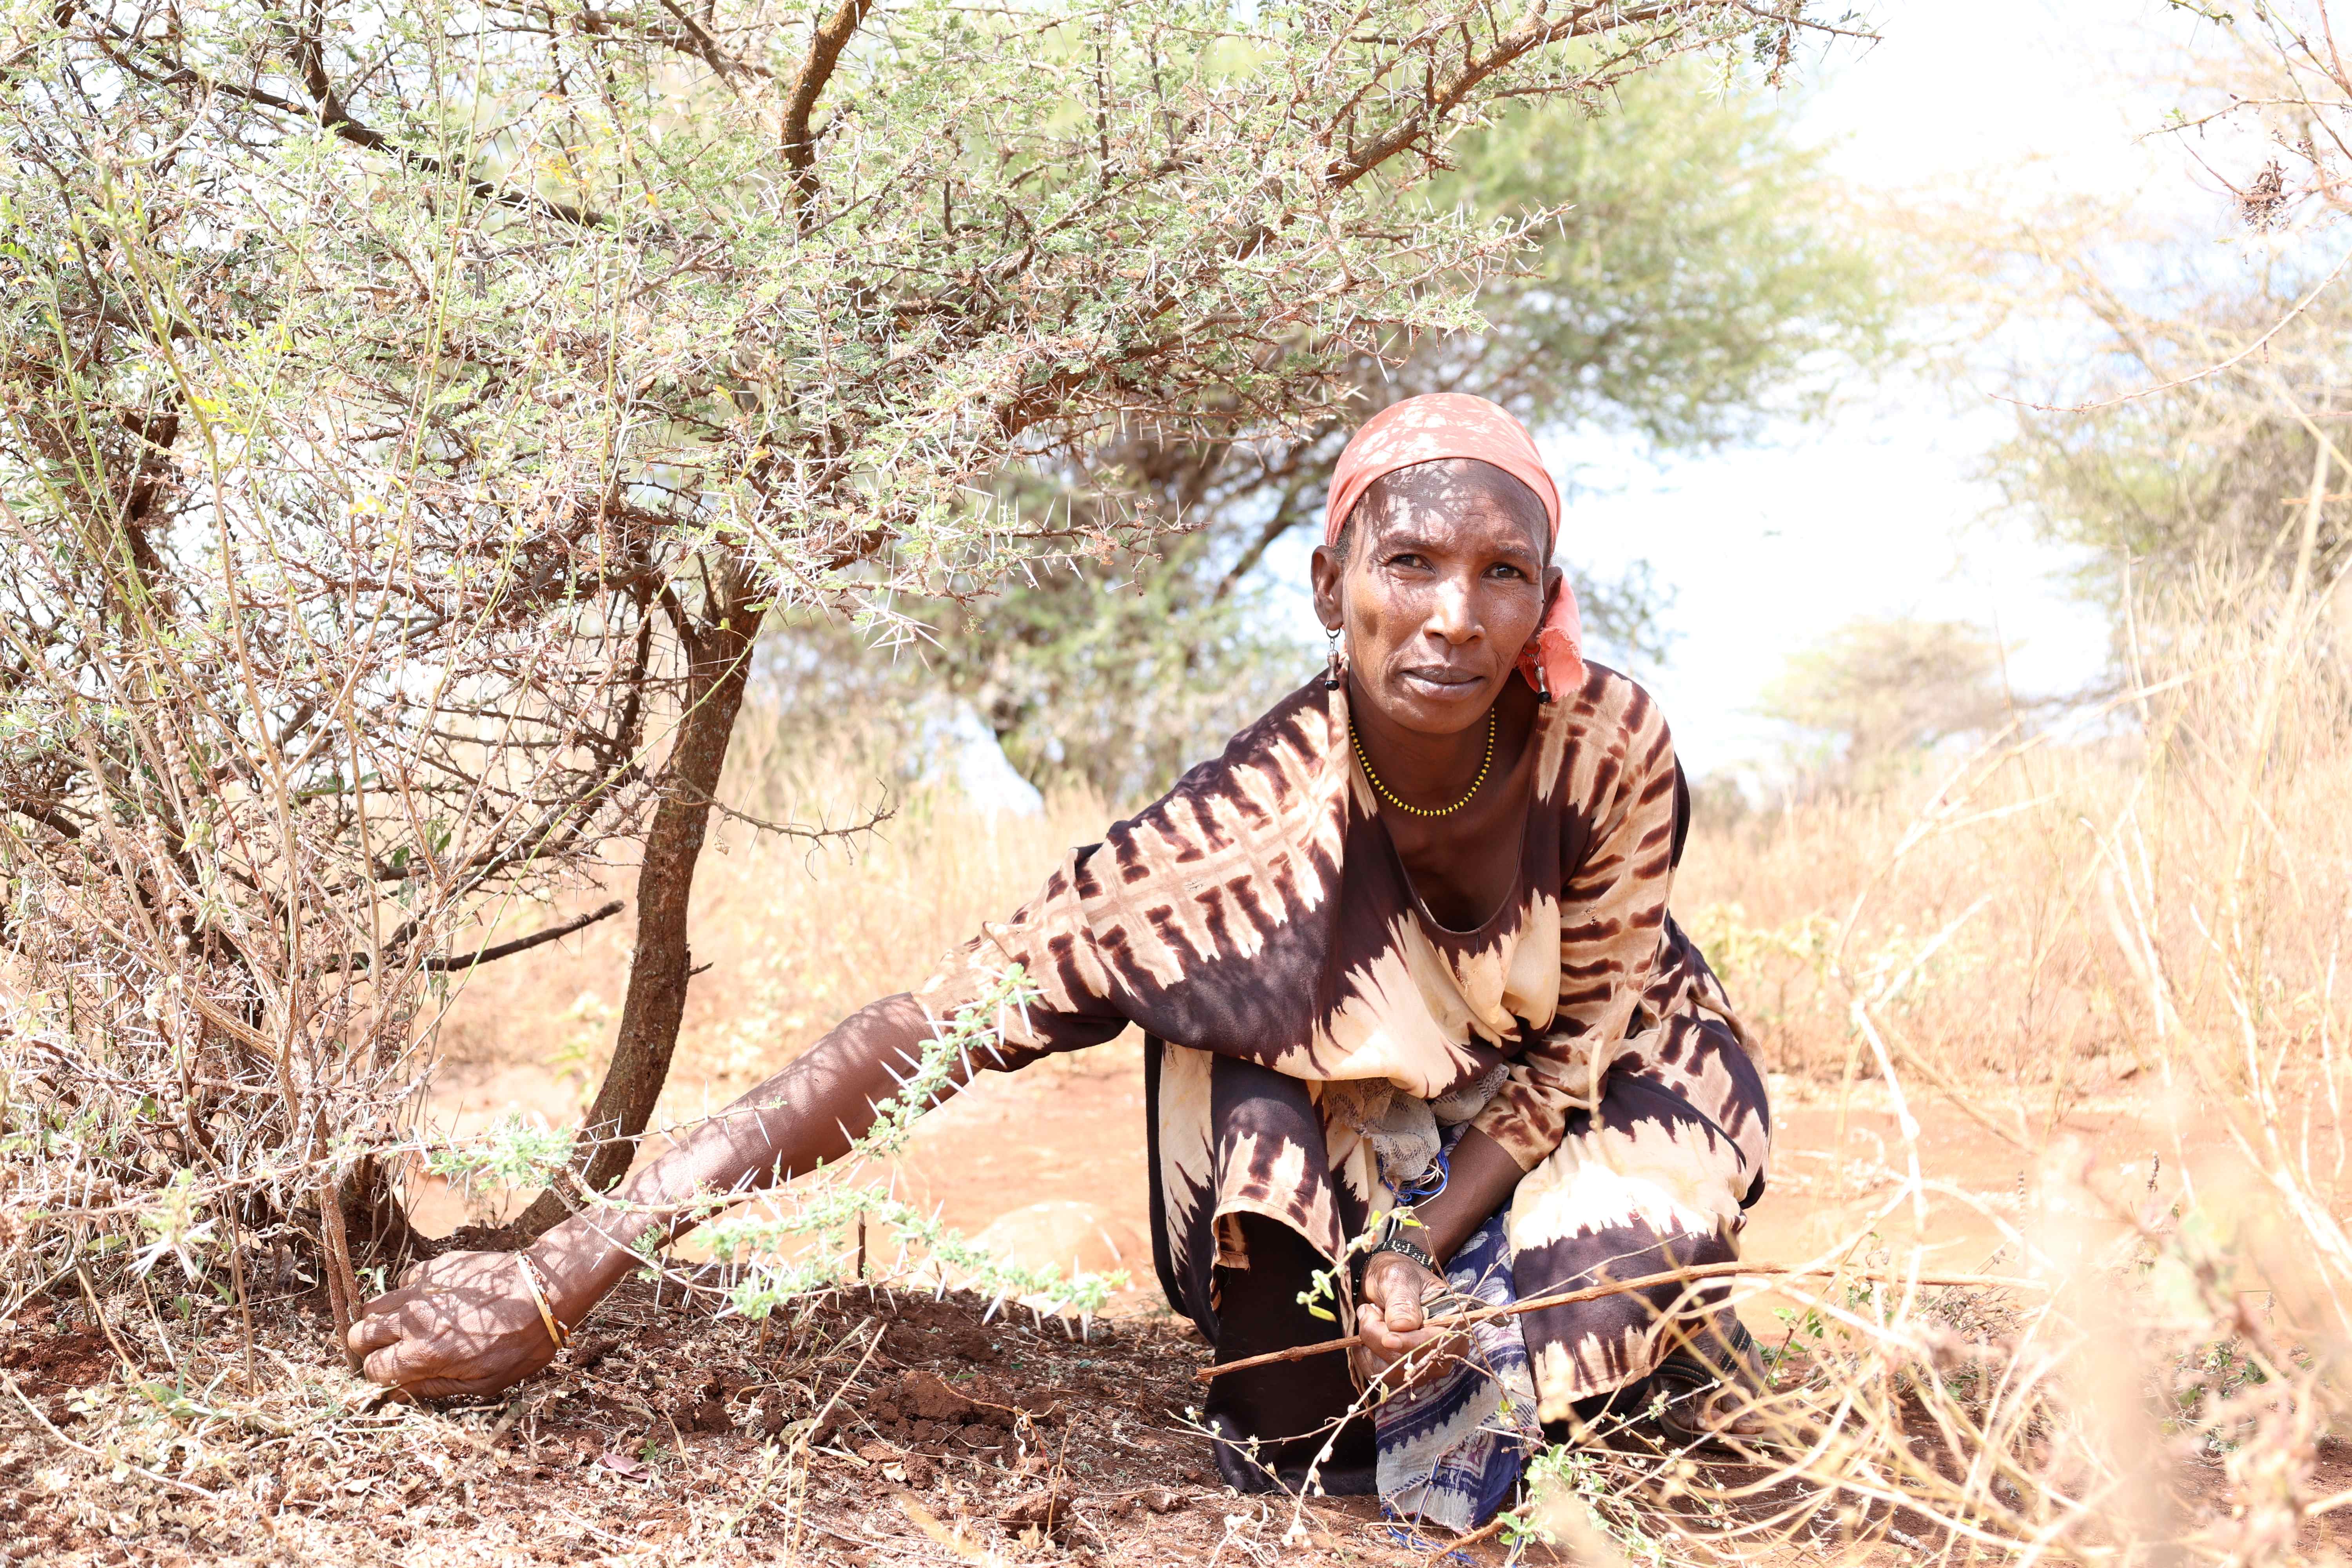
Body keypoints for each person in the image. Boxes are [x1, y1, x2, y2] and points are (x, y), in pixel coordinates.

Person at [348, 394, 1773, 1533]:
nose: (1456, 614)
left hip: (1585, 1106)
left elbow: (1572, 1058)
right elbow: (928, 1029)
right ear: (1329, 583)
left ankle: (1609, 1359)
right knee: (1288, 1380)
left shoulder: (1610, 750)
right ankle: (1481, 1385)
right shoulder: (1244, 825)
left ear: (1545, 600)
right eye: (1411, 564)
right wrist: (561, 1268)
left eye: (1500, 575)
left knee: (1619, 1239)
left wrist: (1413, 1244)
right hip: (1373, 1132)